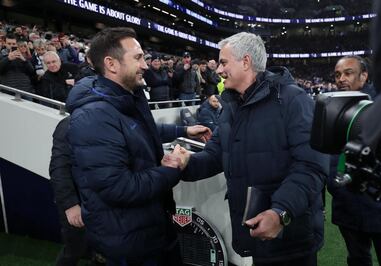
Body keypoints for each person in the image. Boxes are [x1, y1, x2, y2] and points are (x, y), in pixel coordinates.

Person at [165, 32, 329, 266]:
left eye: (223, 62)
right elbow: (214, 156)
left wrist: (280, 212)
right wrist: (186, 163)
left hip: (291, 237)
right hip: (255, 235)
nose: (218, 71)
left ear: (246, 61)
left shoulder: (294, 100)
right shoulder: (232, 106)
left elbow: (311, 165)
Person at [66, 27, 211, 266]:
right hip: (129, 244)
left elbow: (140, 131)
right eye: (138, 57)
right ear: (111, 64)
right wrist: (173, 168)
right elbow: (119, 188)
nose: (145, 65)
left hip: (151, 229)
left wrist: (183, 130)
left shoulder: (127, 96)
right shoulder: (94, 117)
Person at [328, 55, 381, 266]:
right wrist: (336, 186)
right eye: (337, 74)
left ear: (364, 76)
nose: (341, 79)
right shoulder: (332, 106)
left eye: (348, 73)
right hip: (347, 208)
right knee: (357, 260)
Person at [49, 117, 105, 266]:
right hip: (76, 201)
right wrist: (70, 205)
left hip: (100, 200)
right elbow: (58, 170)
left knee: (104, 250)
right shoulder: (68, 125)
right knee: (75, 249)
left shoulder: (107, 119)